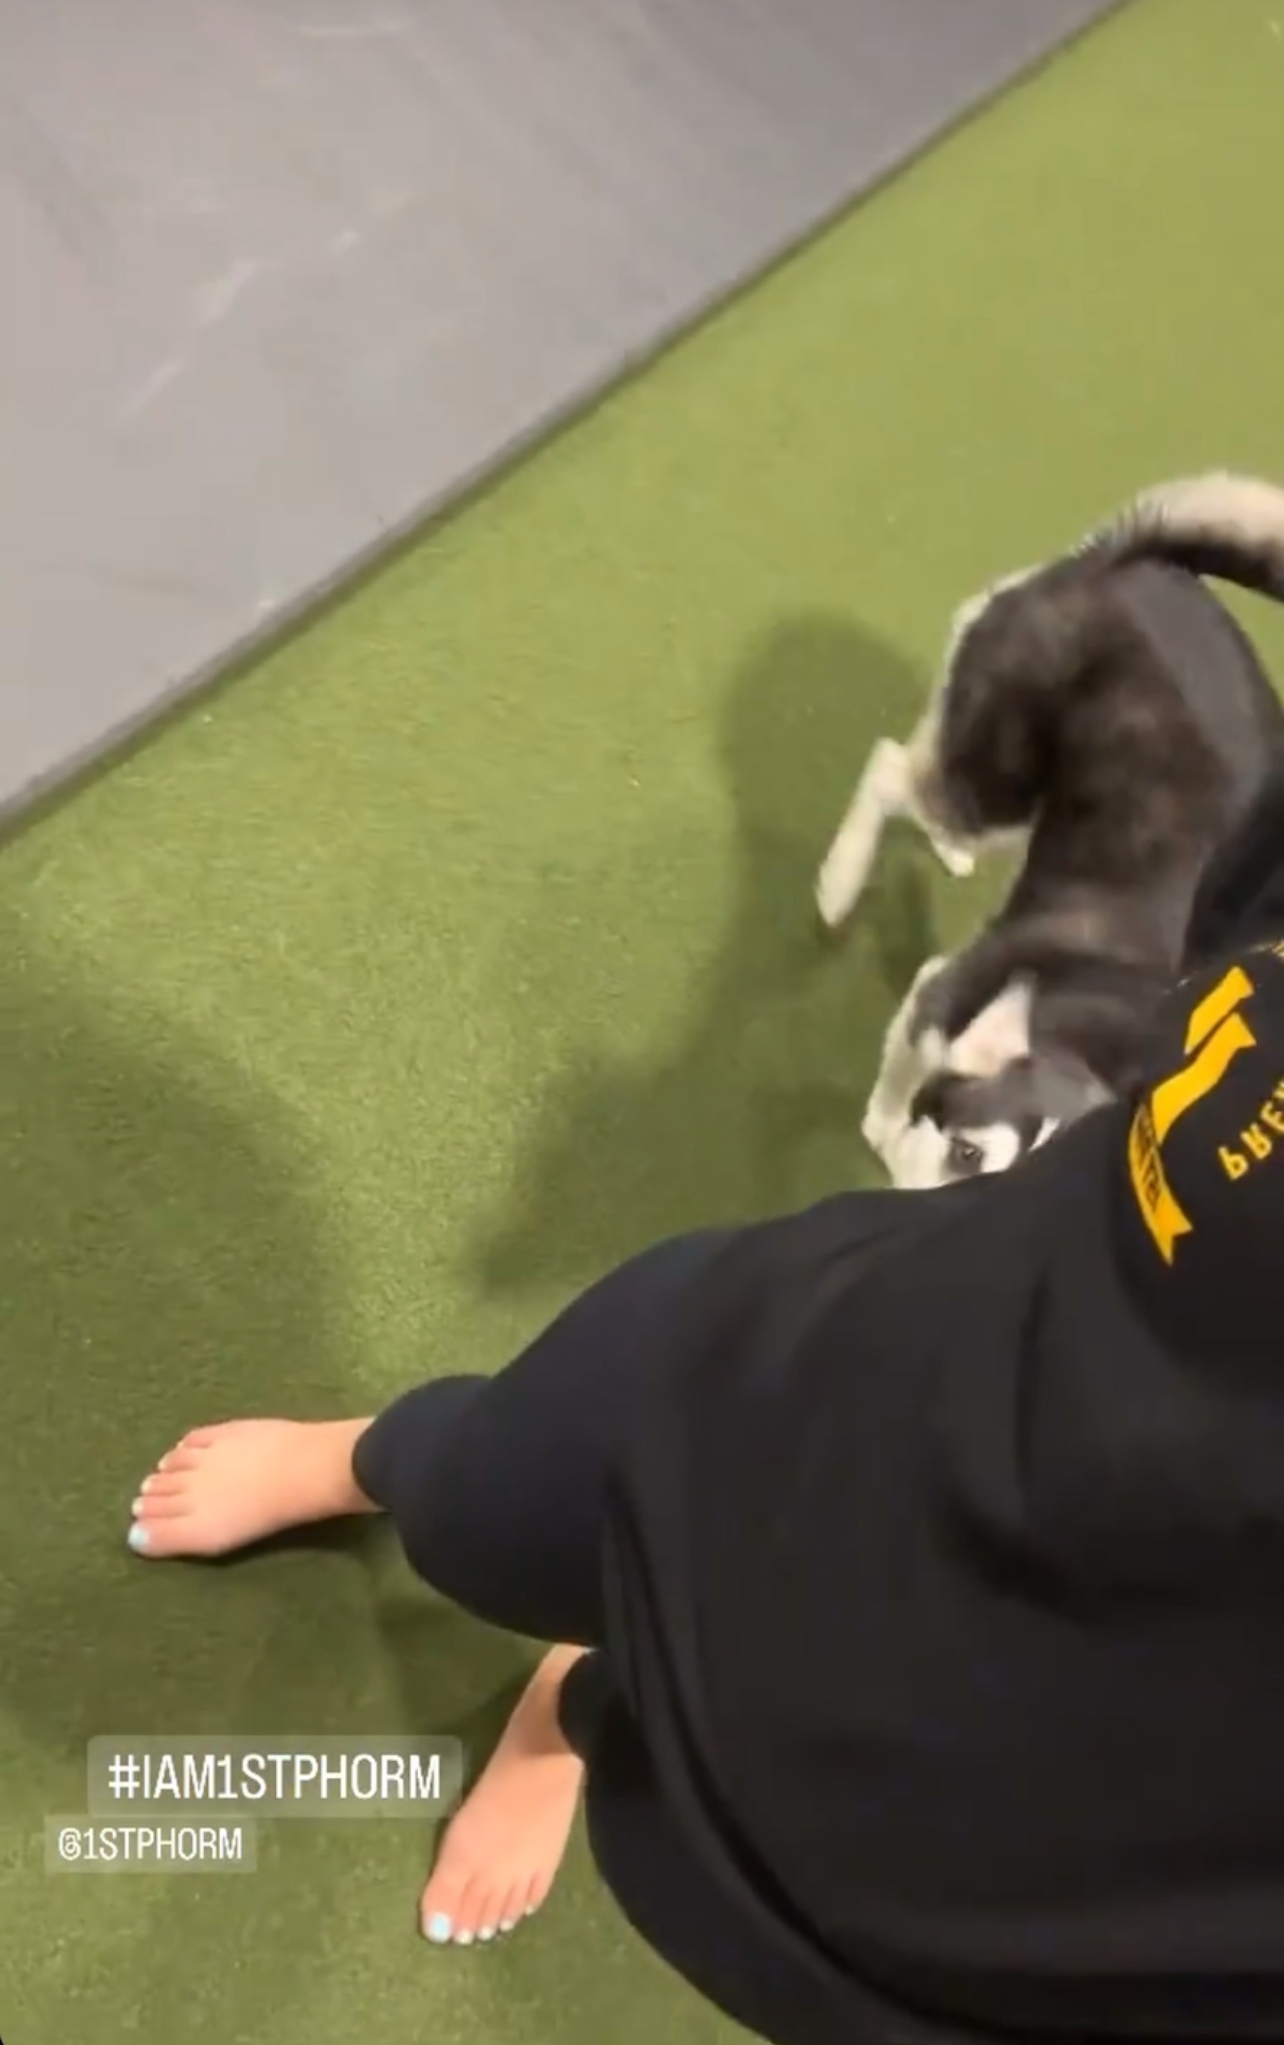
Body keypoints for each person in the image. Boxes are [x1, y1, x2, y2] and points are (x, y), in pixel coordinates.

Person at [127, 768, 1284, 2045]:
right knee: (481, 1499)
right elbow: (1240, 926)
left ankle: (570, 1705)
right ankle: (376, 1459)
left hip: (1007, 1884)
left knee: (653, 1742)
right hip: (845, 1369)